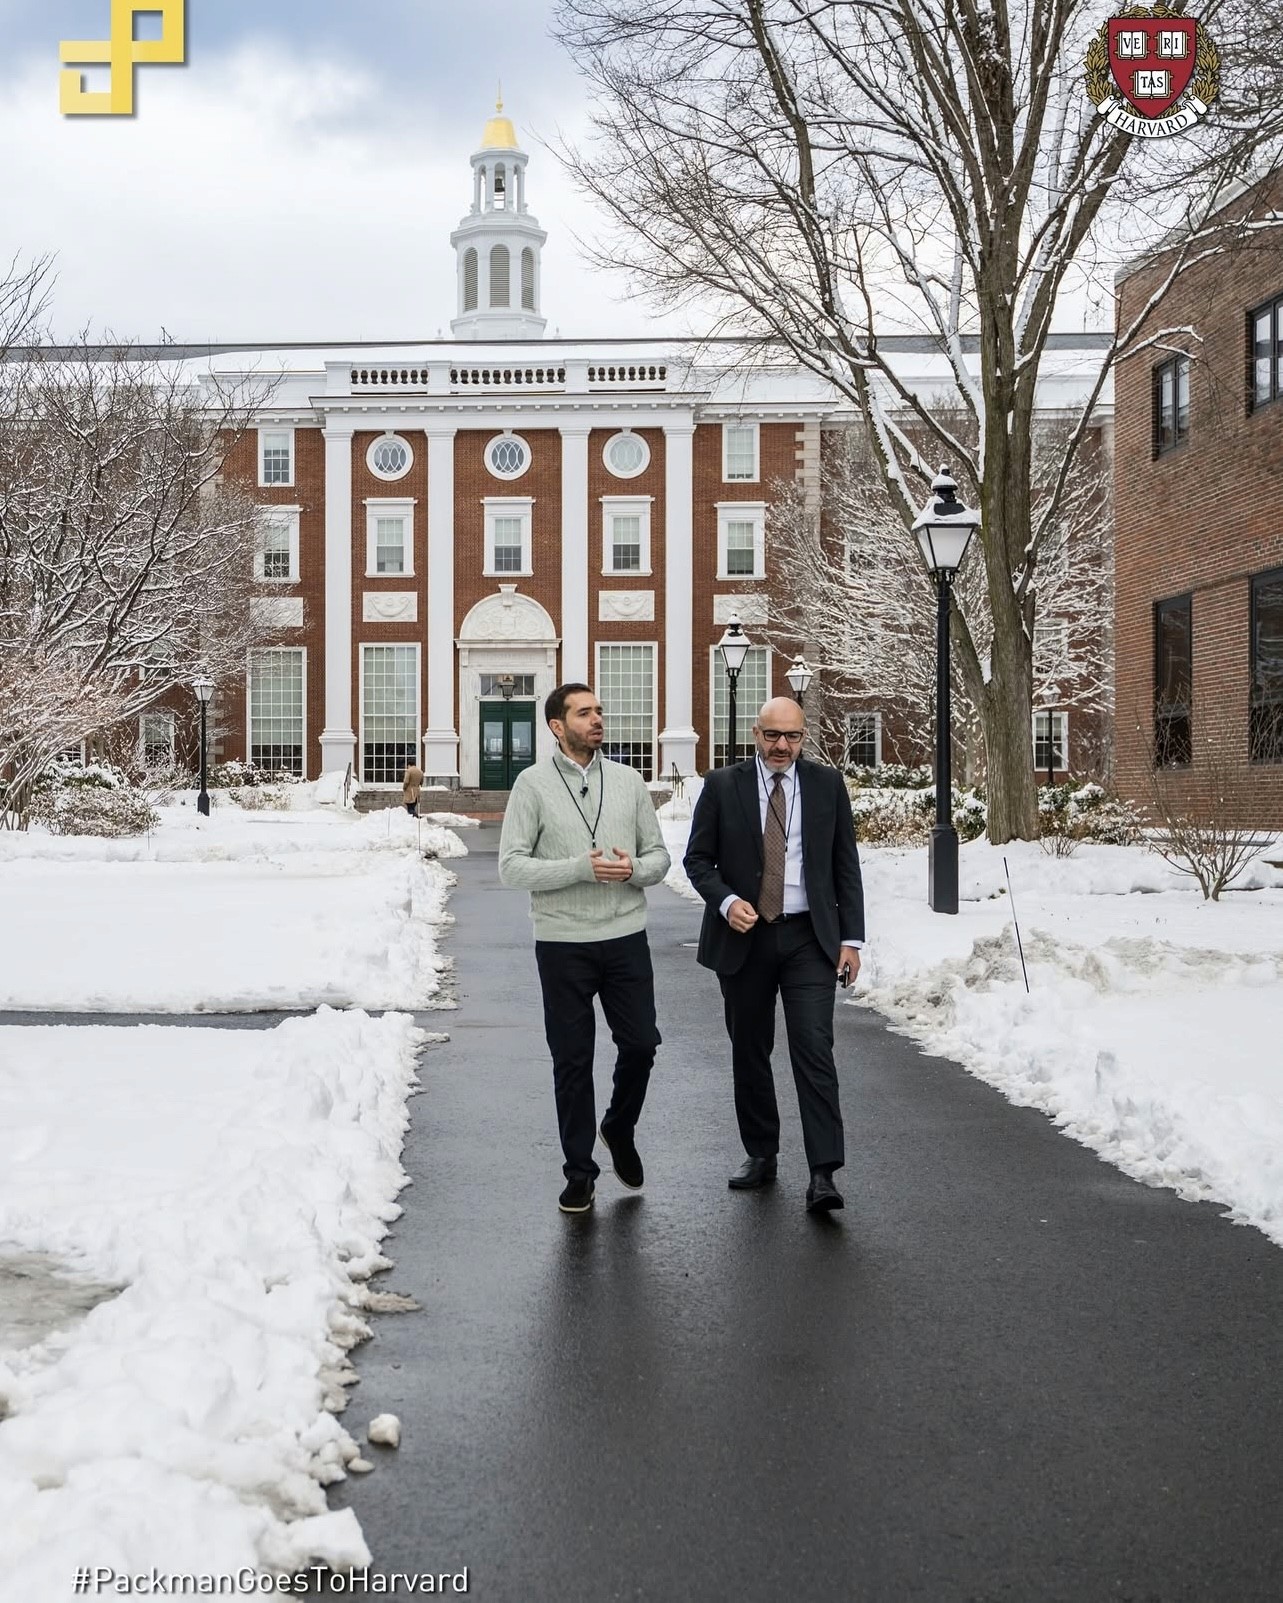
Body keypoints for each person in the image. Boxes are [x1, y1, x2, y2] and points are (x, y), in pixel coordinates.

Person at [684, 697, 864, 1213]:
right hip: (745, 939)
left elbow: (844, 865)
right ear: (756, 735)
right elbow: (697, 859)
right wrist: (725, 901)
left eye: (793, 736)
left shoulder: (827, 786)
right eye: (772, 736)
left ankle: (824, 1172)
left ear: (804, 737)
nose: (782, 746)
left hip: (810, 938)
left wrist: (851, 940)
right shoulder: (723, 786)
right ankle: (761, 1154)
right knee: (750, 1049)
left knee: (814, 1049)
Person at [499, 683, 671, 1215]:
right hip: (562, 944)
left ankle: (618, 1127)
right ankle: (579, 1171)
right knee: (572, 1061)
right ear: (557, 726)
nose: (597, 718)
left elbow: (660, 857)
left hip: (625, 938)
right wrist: (580, 868)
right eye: (584, 712)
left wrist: (634, 870)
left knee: (641, 1045)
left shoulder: (629, 781)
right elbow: (511, 866)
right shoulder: (530, 785)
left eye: (599, 710)